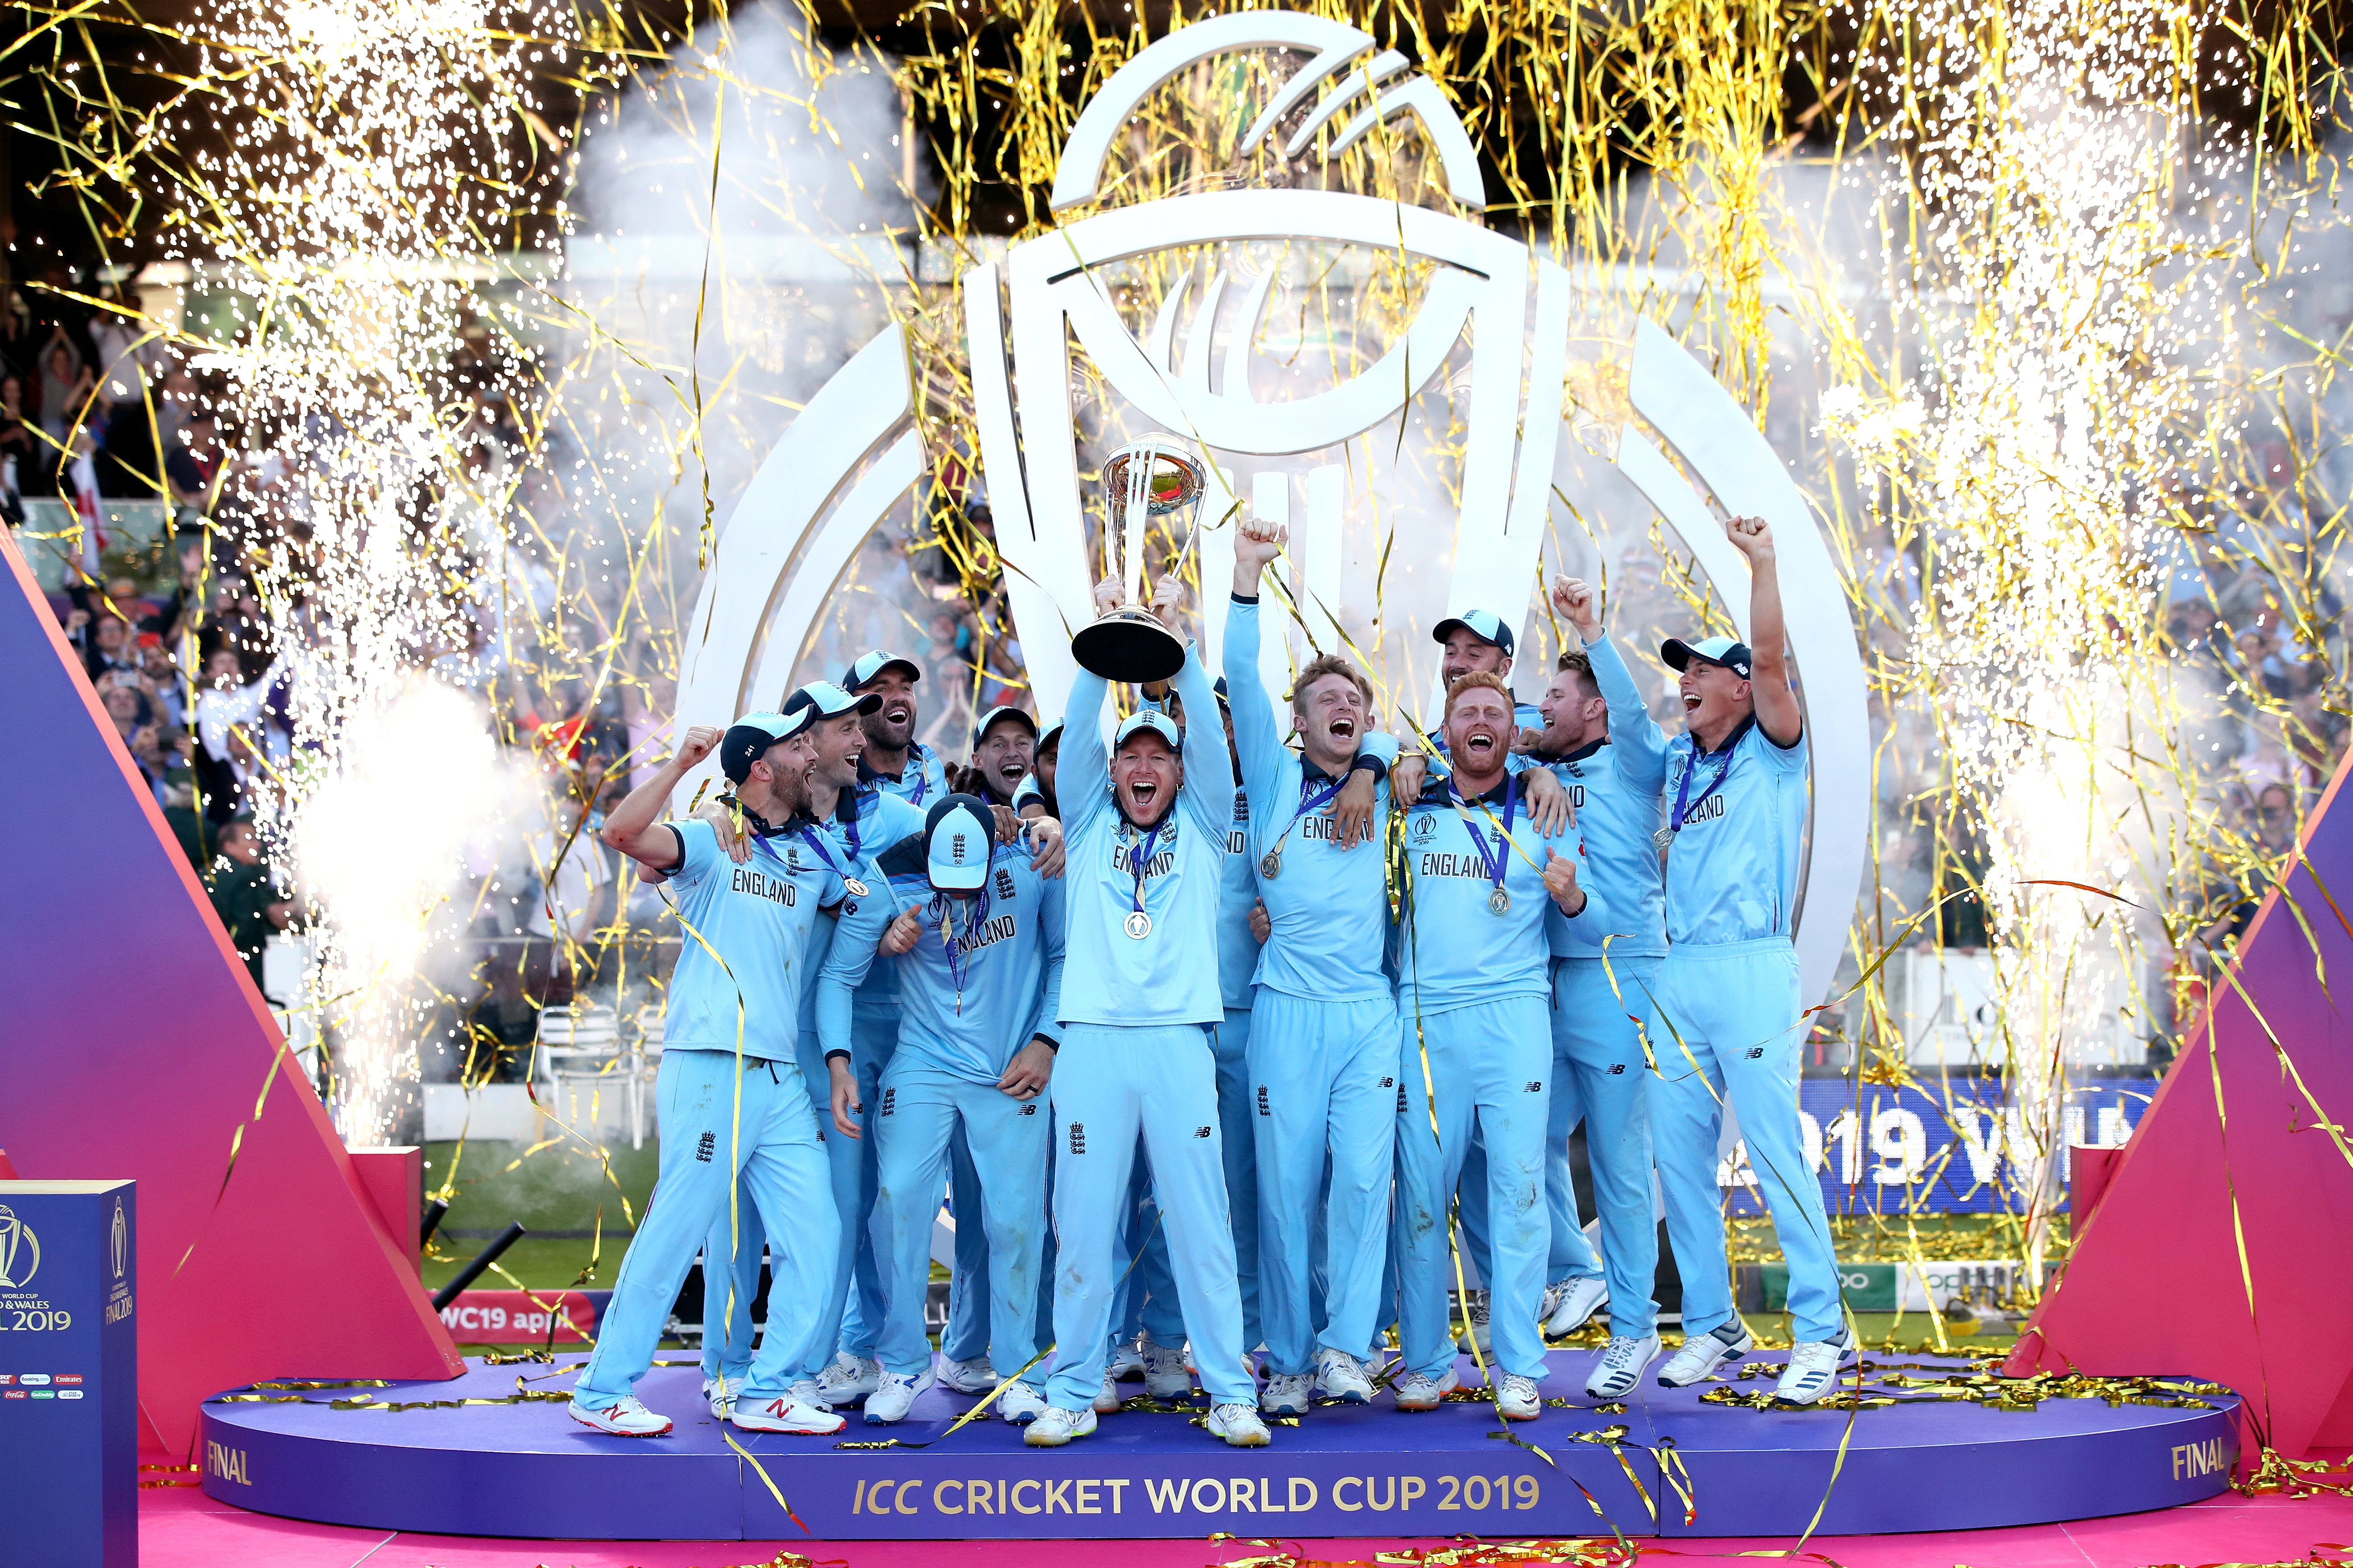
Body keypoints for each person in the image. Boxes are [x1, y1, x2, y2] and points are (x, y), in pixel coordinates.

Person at [1597, 515, 1849, 1405]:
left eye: (1704, 669)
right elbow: (1625, 727)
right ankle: (1708, 1324)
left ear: (1742, 688)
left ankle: (1820, 1332)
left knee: (1775, 1150)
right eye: (1684, 669)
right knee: (1678, 1157)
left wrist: (1763, 564)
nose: (1688, 680)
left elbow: (1774, 661)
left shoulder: (1774, 748)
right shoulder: (1678, 762)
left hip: (1750, 968)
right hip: (1680, 971)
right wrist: (1591, 634)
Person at [1025, 574, 1267, 1450]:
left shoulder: (1203, 823)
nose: (1141, 767)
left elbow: (1209, 741)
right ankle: (1072, 1389)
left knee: (1202, 1225)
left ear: (1175, 768)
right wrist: (1107, 633)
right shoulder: (1086, 822)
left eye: (1156, 755)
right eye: (1131, 754)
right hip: (1090, 1043)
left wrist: (1181, 644)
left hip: (1175, 1044)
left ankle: (1230, 1391)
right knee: (1082, 1224)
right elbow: (1083, 737)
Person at [572, 709, 846, 1439]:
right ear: (760, 767)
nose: (809, 752)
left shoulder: (811, 853)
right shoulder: (710, 838)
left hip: (780, 1077)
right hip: (709, 1065)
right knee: (677, 1230)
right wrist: (680, 765)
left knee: (817, 1233)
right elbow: (620, 835)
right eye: (795, 745)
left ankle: (769, 1388)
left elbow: (858, 890)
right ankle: (602, 1390)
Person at [1390, 670, 1602, 1422]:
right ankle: (1425, 1365)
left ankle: (1519, 1367)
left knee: (1516, 1195)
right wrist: (1400, 763)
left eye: (1494, 713)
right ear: (1444, 732)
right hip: (1424, 1019)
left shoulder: (1545, 804)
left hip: (1514, 1016)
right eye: (1465, 712)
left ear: (1513, 735)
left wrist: (1572, 895)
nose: (1480, 721)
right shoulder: (1407, 801)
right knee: (1421, 1199)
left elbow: (1587, 918)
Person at [817, 794, 1065, 1424]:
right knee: (897, 1199)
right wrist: (878, 943)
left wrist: (1046, 1040)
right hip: (922, 1065)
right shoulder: (887, 877)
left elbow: (1068, 955)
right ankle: (901, 1364)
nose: (955, 894)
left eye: (970, 881)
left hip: (1009, 1067)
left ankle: (1015, 1371)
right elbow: (839, 974)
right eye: (944, 881)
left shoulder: (1033, 862)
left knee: (1014, 1221)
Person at [1224, 515, 1398, 1416]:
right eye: (1323, 698)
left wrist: (1371, 764)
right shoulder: (1272, 770)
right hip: (1283, 1012)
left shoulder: (1386, 772)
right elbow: (1241, 678)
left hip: (1367, 1012)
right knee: (1286, 1191)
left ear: (1364, 720)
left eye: (1353, 701)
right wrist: (1248, 574)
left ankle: (1345, 1348)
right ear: (1299, 723)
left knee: (1364, 1180)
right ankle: (1287, 1356)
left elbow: (1420, 752)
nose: (1341, 706)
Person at [1527, 579, 1675, 1398]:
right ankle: (1573, 1268)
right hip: (1544, 982)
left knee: (1621, 1160)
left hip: (1622, 977)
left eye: (1555, 694)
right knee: (1515, 1140)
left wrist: (1593, 632)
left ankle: (1632, 1330)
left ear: (1593, 710)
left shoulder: (1633, 761)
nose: (1541, 705)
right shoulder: (1530, 770)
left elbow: (1629, 708)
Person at [846, 649, 949, 805]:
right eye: (882, 689)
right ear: (854, 709)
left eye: (906, 688)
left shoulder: (930, 762)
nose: (899, 697)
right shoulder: (845, 785)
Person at [1432, 609, 1544, 749]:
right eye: (1451, 653)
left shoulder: (1540, 723)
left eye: (1473, 655)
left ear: (1504, 668)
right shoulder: (1432, 745)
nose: (1456, 664)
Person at [964, 704, 1037, 807]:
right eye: (999, 745)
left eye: (1022, 743)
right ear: (978, 761)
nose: (1012, 753)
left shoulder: (1058, 803)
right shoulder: (965, 812)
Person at [1013, 718, 1061, 820]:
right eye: (1055, 759)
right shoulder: (1018, 831)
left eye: (1077, 758)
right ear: (1035, 773)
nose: (1064, 769)